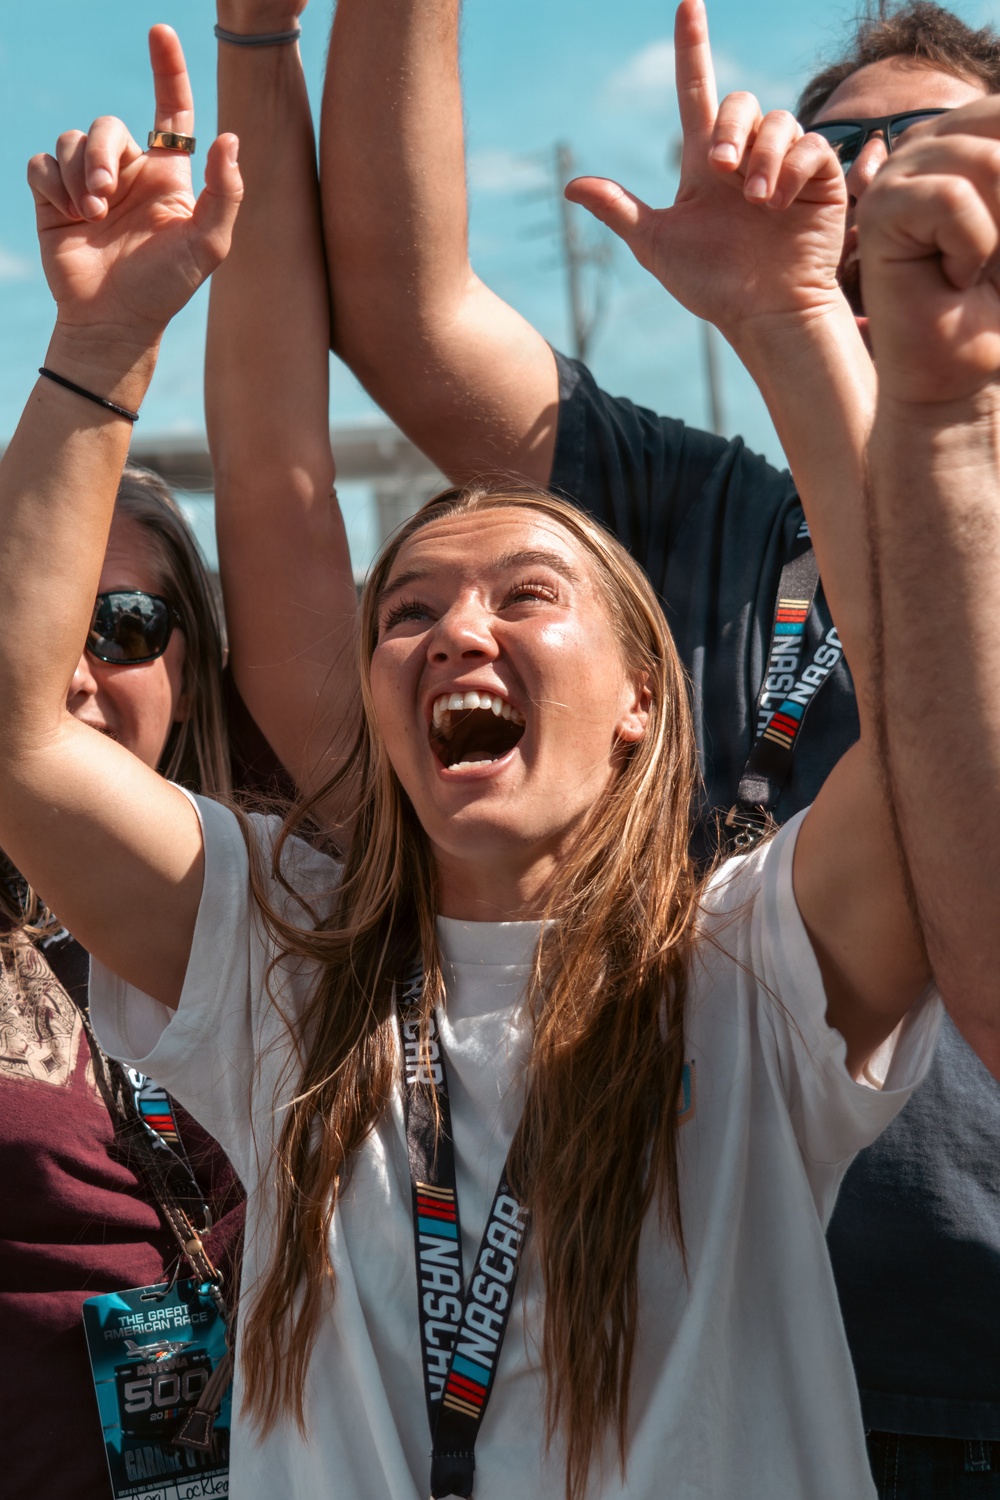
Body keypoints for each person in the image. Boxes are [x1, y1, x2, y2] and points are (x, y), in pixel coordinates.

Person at [2, 37, 989, 1500]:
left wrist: (796, 323)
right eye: (407, 611)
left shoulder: (748, 963)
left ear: (646, 701)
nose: (457, 628)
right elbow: (22, 738)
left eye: (527, 595)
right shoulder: (288, 954)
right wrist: (96, 358)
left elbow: (932, 730)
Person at [317, 0, 1000, 1489]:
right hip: (683, 1350)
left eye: (931, 146)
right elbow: (401, 311)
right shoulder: (696, 506)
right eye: (838, 149)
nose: (874, 182)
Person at [1, 17, 356, 1497]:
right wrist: (97, 354)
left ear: (196, 661)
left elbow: (286, 473)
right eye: (43, 620)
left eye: (130, 620)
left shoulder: (304, 899)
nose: (83, 666)